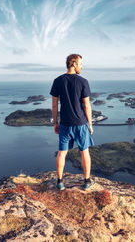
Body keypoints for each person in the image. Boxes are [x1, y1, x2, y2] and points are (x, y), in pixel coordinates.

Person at [50, 54, 94, 191]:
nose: (82, 66)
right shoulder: (83, 81)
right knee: (84, 151)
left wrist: (55, 123)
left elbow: (54, 105)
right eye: (80, 63)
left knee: (62, 152)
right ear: (74, 64)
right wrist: (90, 124)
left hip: (65, 123)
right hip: (81, 123)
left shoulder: (58, 80)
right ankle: (86, 181)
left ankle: (60, 182)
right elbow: (87, 106)